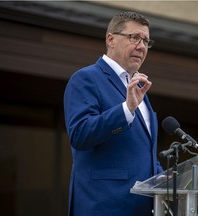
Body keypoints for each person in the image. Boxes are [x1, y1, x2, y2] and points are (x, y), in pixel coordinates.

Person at [64, 11, 163, 216]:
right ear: (111, 39)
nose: (141, 46)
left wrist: (166, 179)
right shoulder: (86, 78)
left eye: (146, 40)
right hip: (105, 205)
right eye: (134, 37)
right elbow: (80, 134)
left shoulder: (138, 87)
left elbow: (141, 153)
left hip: (143, 208)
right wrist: (126, 109)